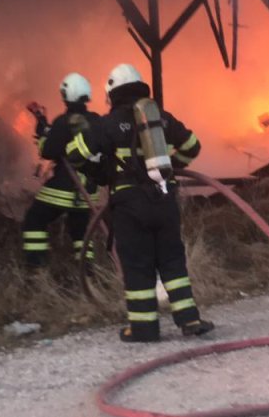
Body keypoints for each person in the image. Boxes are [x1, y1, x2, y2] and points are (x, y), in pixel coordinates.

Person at [66, 63, 214, 342]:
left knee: (137, 264)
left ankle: (144, 328)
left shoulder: (108, 124)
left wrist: (98, 173)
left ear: (112, 93)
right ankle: (190, 319)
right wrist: (173, 167)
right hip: (165, 198)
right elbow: (192, 145)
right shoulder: (161, 119)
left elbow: (74, 152)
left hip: (129, 205)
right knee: (172, 262)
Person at [20, 73, 99, 268]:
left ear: (66, 95)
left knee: (34, 220)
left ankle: (36, 268)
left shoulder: (63, 121)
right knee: (80, 233)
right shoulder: (97, 120)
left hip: (63, 190)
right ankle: (86, 274)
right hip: (88, 192)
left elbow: (48, 151)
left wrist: (42, 134)